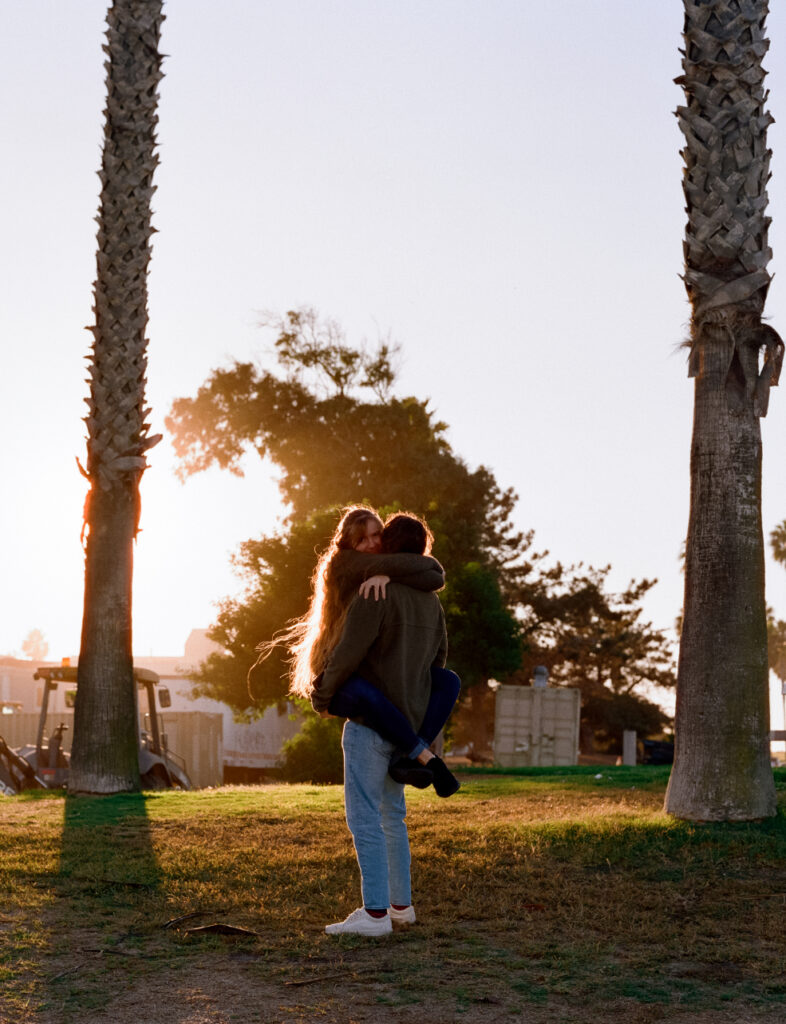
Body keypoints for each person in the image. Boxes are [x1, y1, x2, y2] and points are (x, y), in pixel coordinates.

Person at [315, 512, 457, 936]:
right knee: (393, 817)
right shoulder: (431, 602)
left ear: (390, 547)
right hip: (408, 723)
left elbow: (348, 655)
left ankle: (374, 915)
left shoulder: (375, 593)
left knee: (363, 818)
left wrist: (323, 695)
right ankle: (401, 907)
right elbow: (439, 663)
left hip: (369, 725)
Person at [285, 505, 460, 790]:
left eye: (377, 535)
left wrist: (390, 577)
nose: (372, 544)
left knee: (448, 681)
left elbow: (432, 576)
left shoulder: (384, 572)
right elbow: (433, 572)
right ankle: (423, 755)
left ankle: (410, 753)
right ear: (350, 544)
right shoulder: (345, 563)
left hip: (361, 670)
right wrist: (322, 697)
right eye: (362, 540)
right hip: (339, 674)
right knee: (367, 692)